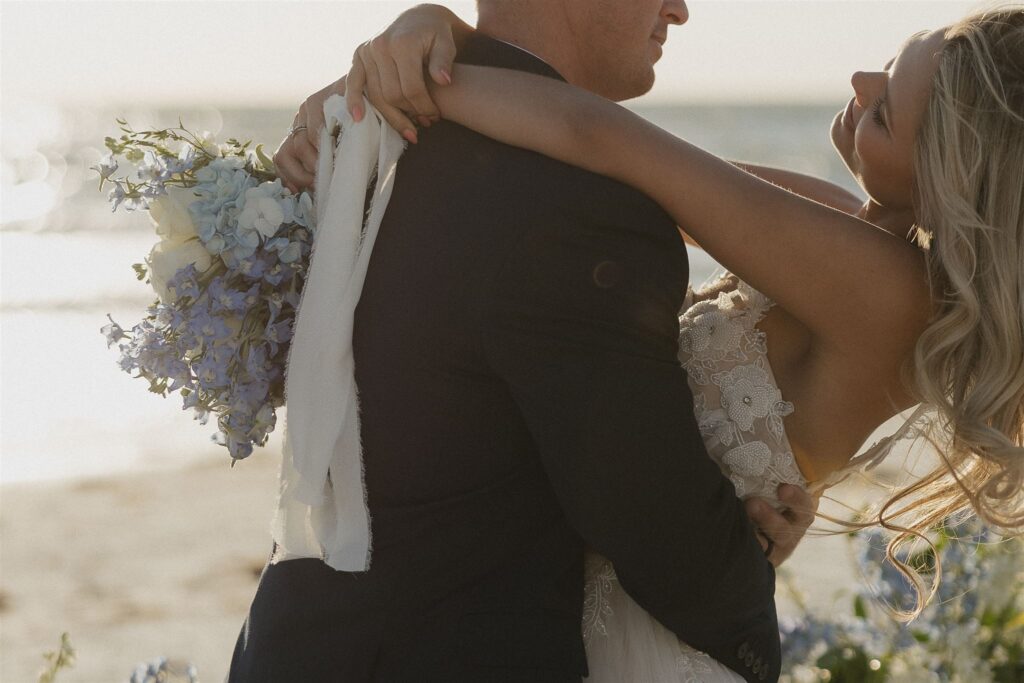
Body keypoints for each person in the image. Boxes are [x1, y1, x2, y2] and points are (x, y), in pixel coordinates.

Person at [273, 3, 1024, 682]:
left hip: (665, 632)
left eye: (886, 107)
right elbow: (636, 165)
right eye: (885, 64)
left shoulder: (893, 295)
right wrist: (441, 32)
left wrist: (397, 89)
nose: (858, 78)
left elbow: (603, 141)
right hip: (597, 592)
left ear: (952, 171)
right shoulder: (835, 225)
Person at [231, 2, 821, 682]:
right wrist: (744, 556)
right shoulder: (577, 207)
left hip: (288, 642)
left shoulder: (348, 135)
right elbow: (666, 544)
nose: (680, 10)